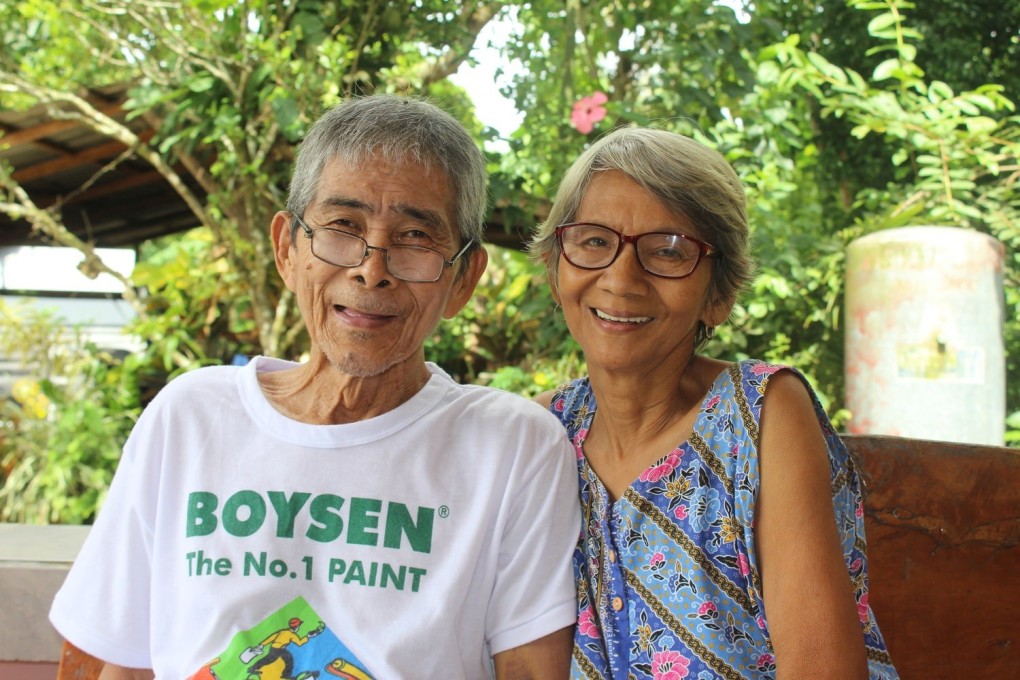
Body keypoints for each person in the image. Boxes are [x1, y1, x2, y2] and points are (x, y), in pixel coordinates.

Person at [49, 94, 581, 680]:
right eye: (343, 227)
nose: (371, 269)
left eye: (413, 239)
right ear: (287, 248)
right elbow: (111, 659)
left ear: (462, 280)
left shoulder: (510, 447)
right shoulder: (191, 416)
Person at [529, 126, 898, 679]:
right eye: (594, 241)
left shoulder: (760, 416)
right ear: (558, 269)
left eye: (669, 251)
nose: (621, 277)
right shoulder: (543, 432)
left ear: (718, 296)